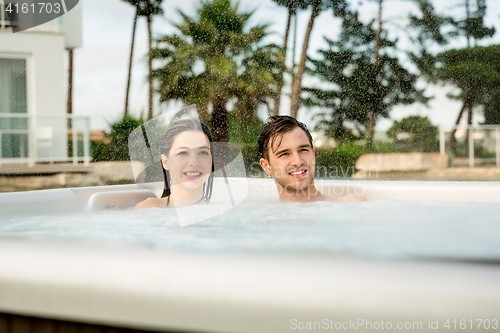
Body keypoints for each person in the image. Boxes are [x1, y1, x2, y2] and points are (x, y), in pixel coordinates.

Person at [257, 115, 366, 203]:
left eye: (303, 150)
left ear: (313, 155)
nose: (298, 162)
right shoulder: (258, 215)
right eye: (284, 154)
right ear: (266, 166)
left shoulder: (350, 205)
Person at [135, 119, 214, 209]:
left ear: (211, 159)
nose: (194, 162)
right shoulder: (147, 209)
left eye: (203, 152)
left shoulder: (222, 213)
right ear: (165, 162)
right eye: (183, 153)